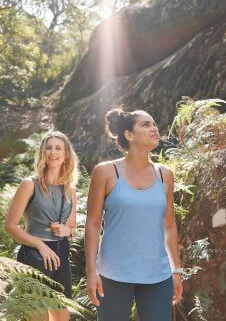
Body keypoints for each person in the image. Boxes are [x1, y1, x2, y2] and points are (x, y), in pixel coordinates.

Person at [84, 108, 184, 320]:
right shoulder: (106, 172)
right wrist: (91, 271)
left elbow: (169, 226)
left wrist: (176, 270)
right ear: (129, 135)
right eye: (146, 124)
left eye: (154, 124)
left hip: (158, 276)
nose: (154, 128)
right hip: (113, 275)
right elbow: (92, 224)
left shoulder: (165, 175)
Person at [5, 131, 79, 321]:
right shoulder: (29, 184)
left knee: (62, 317)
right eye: (48, 148)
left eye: (58, 148)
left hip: (60, 255)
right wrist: (40, 245)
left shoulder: (70, 190)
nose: (53, 152)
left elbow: (72, 228)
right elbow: (10, 226)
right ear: (42, 153)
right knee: (38, 318)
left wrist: (67, 230)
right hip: (34, 256)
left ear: (66, 155)